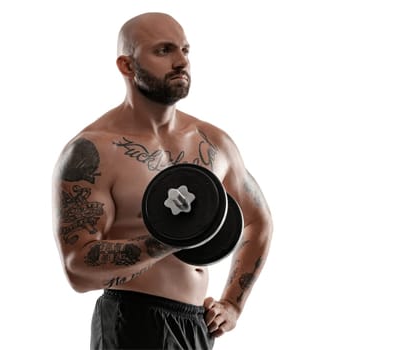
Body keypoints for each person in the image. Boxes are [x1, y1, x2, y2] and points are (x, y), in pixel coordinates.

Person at [52, 12, 273, 350]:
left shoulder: (213, 142)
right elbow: (78, 271)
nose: (181, 61)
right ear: (127, 66)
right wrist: (166, 239)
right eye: (164, 50)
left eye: (185, 50)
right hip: (132, 323)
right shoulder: (93, 151)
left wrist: (232, 304)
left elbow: (257, 221)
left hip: (197, 325)